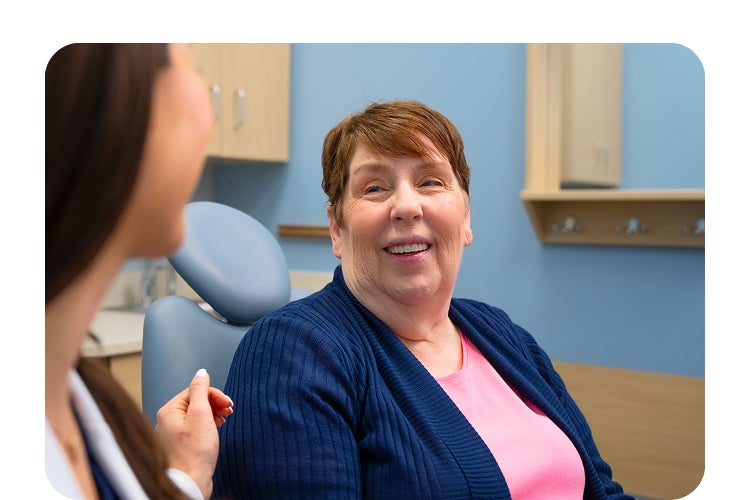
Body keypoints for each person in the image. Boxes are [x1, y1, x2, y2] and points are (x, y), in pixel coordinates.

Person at [213, 100, 633, 499]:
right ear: (337, 230)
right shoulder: (293, 352)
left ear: (466, 219)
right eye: (375, 188)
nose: (407, 206)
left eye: (430, 182)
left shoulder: (504, 335)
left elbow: (601, 488)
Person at [46, 43, 234, 499]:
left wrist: (184, 475)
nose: (209, 116)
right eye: (193, 68)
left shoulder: (82, 393)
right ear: (118, 104)